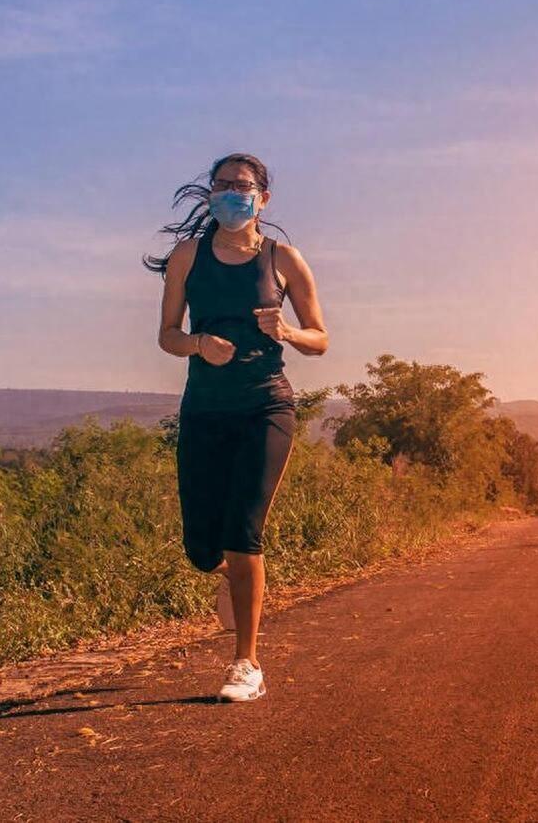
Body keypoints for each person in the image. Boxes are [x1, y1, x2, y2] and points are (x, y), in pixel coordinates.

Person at [147, 152, 328, 702]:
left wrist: (288, 332)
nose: (231, 193)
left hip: (265, 407)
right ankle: (229, 573)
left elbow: (320, 338)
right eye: (222, 185)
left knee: (244, 533)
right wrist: (198, 344)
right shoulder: (188, 257)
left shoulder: (283, 259)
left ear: (262, 198)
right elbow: (167, 335)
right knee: (203, 549)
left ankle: (246, 663)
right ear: (209, 194)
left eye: (242, 186)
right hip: (204, 408)